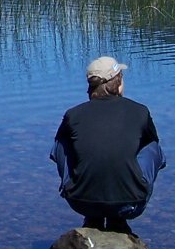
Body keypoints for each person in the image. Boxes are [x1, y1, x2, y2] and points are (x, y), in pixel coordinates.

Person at [50, 55, 165, 232]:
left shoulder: (73, 114)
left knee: (62, 143)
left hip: (81, 202)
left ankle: (92, 217)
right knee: (152, 147)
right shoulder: (140, 111)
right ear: (118, 84)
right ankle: (118, 219)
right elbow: (153, 144)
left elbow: (57, 151)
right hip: (131, 204)